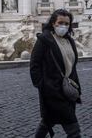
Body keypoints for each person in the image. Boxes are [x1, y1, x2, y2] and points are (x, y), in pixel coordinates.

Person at [30, 9, 82, 138]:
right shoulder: (44, 40)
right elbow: (34, 65)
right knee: (73, 129)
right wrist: (42, 85)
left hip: (67, 90)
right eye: (60, 22)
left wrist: (75, 86)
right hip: (52, 90)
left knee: (47, 121)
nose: (63, 26)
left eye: (66, 23)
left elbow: (72, 66)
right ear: (53, 23)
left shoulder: (70, 40)